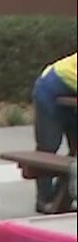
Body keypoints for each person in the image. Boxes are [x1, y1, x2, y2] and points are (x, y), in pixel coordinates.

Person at [31, 52, 77, 212]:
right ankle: (43, 200)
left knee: (76, 150)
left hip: (71, 96)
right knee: (48, 148)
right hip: (50, 90)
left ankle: (60, 197)